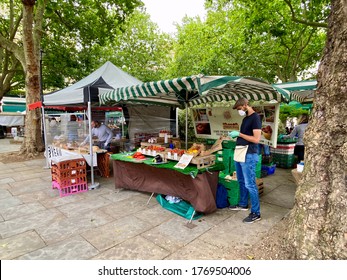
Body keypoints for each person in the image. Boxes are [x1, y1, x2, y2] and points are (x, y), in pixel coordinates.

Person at [228, 98, 262, 224]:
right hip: (240, 151)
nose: (238, 111)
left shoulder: (255, 118)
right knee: (241, 180)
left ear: (245, 105)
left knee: (250, 184)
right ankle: (243, 204)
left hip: (249, 154)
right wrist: (236, 135)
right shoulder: (246, 118)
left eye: (239, 109)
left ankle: (256, 213)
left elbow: (256, 139)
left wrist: (240, 134)